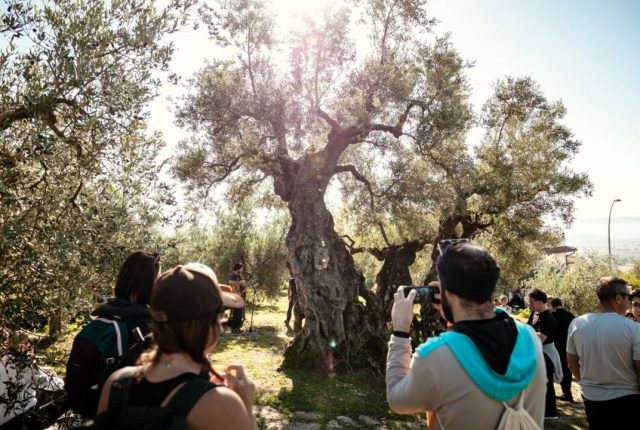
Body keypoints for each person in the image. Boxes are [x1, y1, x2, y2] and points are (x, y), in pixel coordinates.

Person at [386, 242, 546, 429]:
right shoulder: (530, 339)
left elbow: (397, 400)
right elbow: (477, 337)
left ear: (448, 292)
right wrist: (452, 312)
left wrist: (400, 333)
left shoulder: (434, 356)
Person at [95, 263, 256, 429]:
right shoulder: (221, 403)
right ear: (207, 326)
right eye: (218, 315)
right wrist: (247, 408)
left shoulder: (116, 383)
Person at [567, 276, 640, 429]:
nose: (629, 302)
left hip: (591, 398)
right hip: (627, 399)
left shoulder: (577, 324)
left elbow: (572, 363)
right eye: (628, 297)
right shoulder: (633, 329)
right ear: (618, 298)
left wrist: (585, 383)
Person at [0, 327, 66, 429]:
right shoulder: (24, 363)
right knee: (65, 393)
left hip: (2, 419)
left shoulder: (3, 360)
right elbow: (53, 384)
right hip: (20, 418)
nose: (31, 346)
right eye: (30, 343)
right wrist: (60, 379)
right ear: (24, 344)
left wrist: (40, 369)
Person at [527, 289, 562, 419]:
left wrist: (526, 332)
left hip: (546, 354)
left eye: (531, 302)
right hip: (537, 352)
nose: (529, 304)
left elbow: (541, 338)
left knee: (546, 383)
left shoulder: (548, 317)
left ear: (541, 302)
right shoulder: (535, 314)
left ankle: (551, 412)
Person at [548, 297, 576, 403]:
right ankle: (567, 393)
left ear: (553, 305)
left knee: (553, 369)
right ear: (561, 304)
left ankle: (558, 394)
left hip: (554, 346)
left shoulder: (552, 316)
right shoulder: (571, 316)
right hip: (568, 346)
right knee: (567, 371)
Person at [228, 263, 251, 333]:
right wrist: (240, 282)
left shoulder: (238, 276)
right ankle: (234, 329)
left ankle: (237, 328)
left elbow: (242, 286)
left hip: (238, 295)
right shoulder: (232, 274)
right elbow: (230, 282)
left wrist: (247, 284)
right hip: (233, 295)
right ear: (237, 268)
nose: (242, 270)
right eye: (241, 268)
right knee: (236, 312)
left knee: (239, 312)